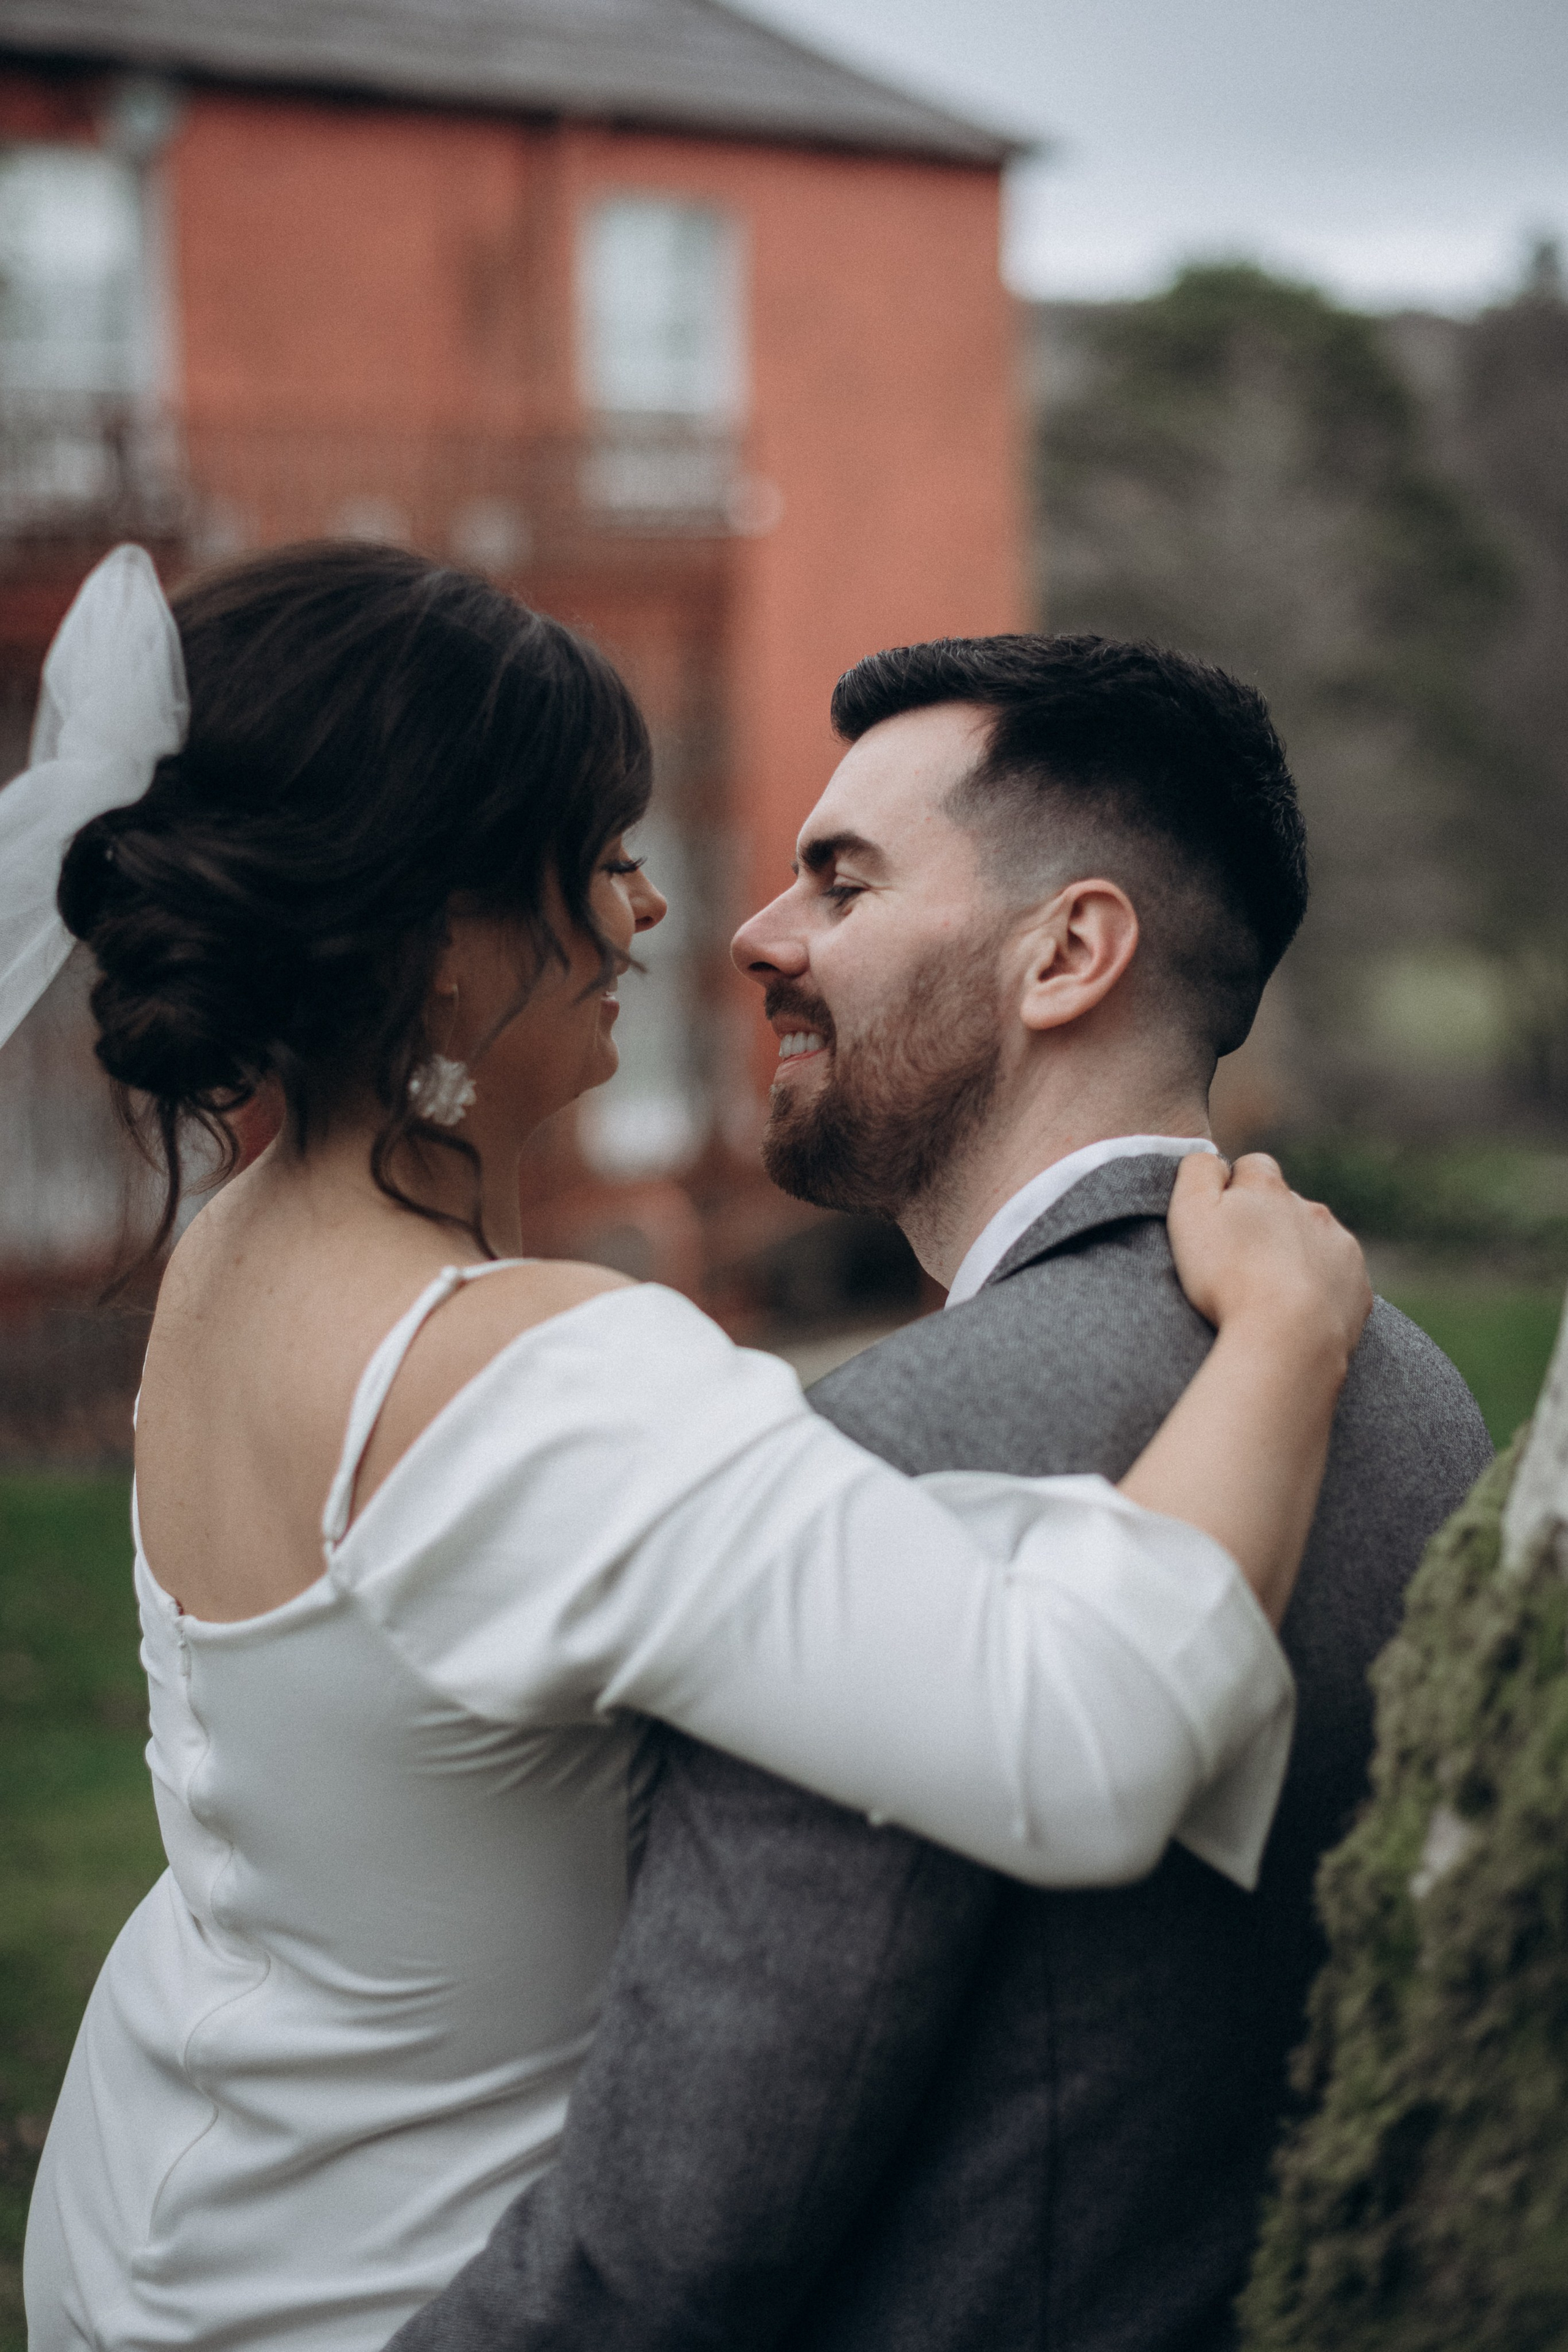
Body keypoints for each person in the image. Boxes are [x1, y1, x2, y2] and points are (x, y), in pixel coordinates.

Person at [13, 553, 1367, 2352]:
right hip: (366, 2287)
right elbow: (1090, 1737)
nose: (656, 912)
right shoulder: (523, 1381)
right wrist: (1286, 1332)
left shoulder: (233, 1256)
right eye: (594, 859)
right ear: (439, 936)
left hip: (157, 2200)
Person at [391, 635, 1492, 2352]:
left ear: (1067, 954)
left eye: (841, 880)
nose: (756, 935)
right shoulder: (1418, 1391)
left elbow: (672, 2247)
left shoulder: (890, 1465)